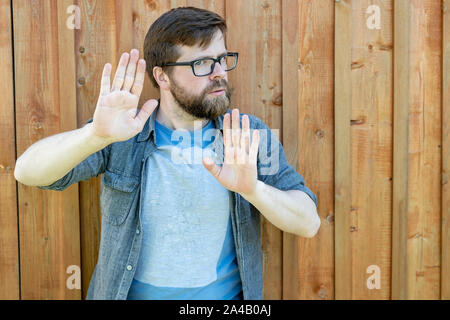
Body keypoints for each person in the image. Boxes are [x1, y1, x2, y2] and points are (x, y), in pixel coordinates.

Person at [14, 6, 320, 300]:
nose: (219, 73)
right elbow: (27, 172)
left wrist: (254, 191)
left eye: (222, 59)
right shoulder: (124, 135)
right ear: (162, 77)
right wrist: (93, 136)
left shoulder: (246, 135)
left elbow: (308, 223)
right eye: (202, 63)